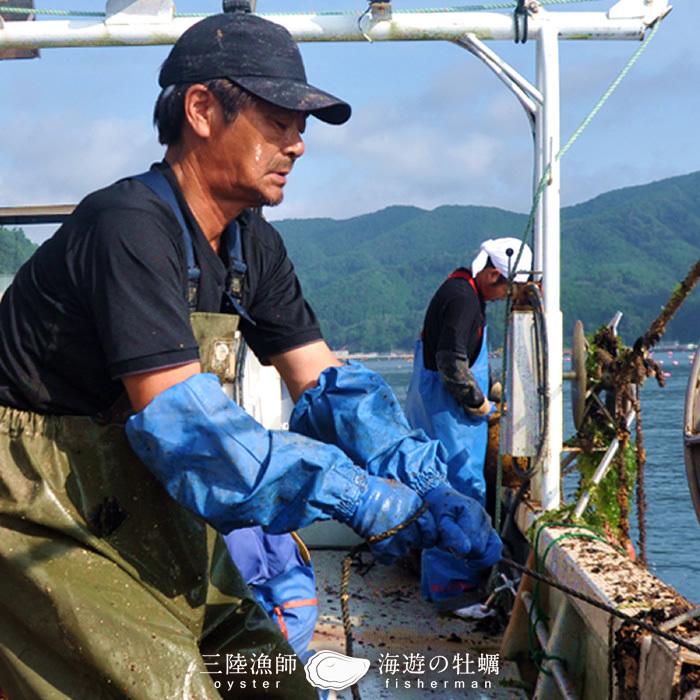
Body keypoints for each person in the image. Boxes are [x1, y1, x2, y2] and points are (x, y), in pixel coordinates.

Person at [0, 11, 501, 699]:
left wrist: (428, 484)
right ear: (203, 109)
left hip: (149, 506)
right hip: (43, 510)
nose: (297, 144)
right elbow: (184, 422)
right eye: (278, 119)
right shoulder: (128, 227)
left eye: (302, 127)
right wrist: (355, 495)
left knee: (268, 676)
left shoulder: (250, 246)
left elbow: (326, 386)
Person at [405, 237, 533, 612]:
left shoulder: (460, 288)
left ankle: (436, 582)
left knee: (434, 491)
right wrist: (478, 402)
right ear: (493, 274)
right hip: (450, 417)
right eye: (508, 287)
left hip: (433, 410)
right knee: (461, 495)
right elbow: (451, 362)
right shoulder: (463, 299)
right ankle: (453, 592)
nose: (507, 295)